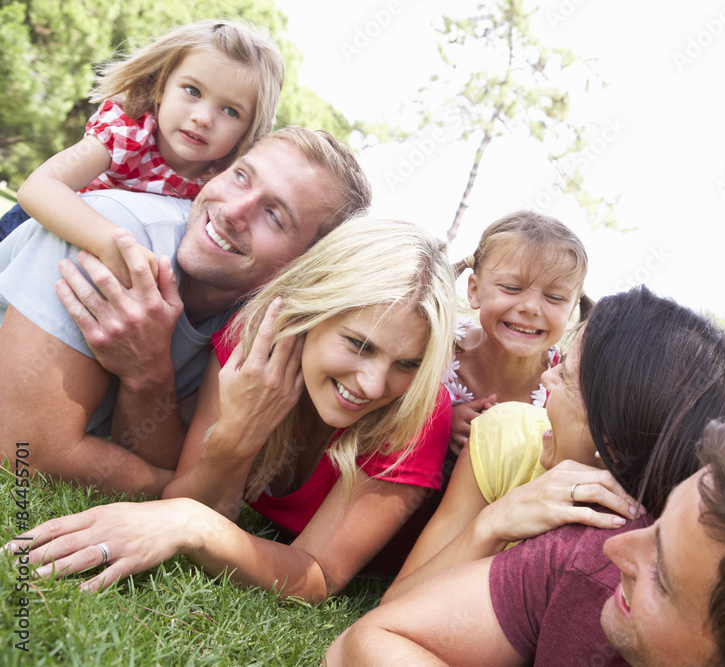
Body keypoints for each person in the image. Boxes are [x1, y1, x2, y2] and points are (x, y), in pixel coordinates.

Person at [5, 218, 458, 602]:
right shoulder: (250, 345)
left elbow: (318, 574)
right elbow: (202, 499)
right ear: (309, 311)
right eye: (359, 344)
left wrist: (192, 524)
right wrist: (235, 434)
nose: (375, 384)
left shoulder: (418, 409)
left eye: (408, 364)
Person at [325, 419, 725, 667]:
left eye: (661, 574)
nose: (617, 551)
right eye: (656, 525)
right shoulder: (590, 559)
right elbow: (366, 643)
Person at [0, 125, 372, 497]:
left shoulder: (255, 329)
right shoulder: (112, 234)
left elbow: (155, 450)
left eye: (274, 216)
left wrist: (148, 372)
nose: (232, 211)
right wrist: (177, 493)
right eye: (241, 177)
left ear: (301, 266)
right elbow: (23, 453)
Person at [383, 286, 725, 602]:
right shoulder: (508, 438)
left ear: (610, 442)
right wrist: (493, 525)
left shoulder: (652, 552)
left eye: (564, 376)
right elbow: (395, 605)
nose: (546, 377)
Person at [0, 19, 284, 287]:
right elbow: (38, 188)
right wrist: (109, 242)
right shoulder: (129, 132)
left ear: (248, 129)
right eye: (192, 91)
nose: (203, 118)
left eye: (230, 111)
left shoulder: (224, 180)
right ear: (161, 87)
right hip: (38, 226)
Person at [445, 211, 592, 453]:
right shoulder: (436, 350)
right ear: (474, 290)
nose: (531, 308)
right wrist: (441, 422)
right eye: (512, 288)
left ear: (572, 308)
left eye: (555, 297)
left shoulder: (569, 389)